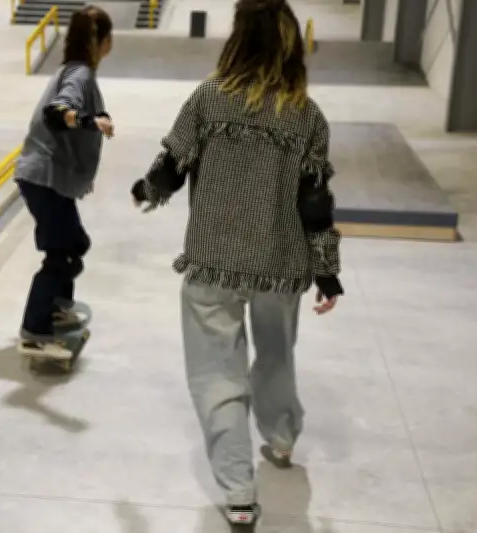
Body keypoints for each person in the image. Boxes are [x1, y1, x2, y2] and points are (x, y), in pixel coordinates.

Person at [130, 0, 343, 525]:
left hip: (213, 260)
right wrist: (326, 270)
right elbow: (315, 202)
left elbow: (171, 164)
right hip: (280, 262)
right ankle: (282, 437)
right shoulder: (306, 115)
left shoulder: (208, 99)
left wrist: (146, 191)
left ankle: (240, 494)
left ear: (237, 38)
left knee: (216, 375)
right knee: (276, 353)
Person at [14, 5, 114, 360]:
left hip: (46, 177)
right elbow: (57, 112)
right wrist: (89, 121)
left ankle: (57, 307)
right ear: (103, 42)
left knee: (76, 244)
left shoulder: (73, 70)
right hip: (44, 177)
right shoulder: (79, 76)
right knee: (62, 255)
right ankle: (35, 330)